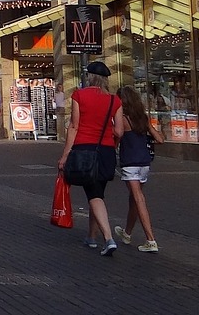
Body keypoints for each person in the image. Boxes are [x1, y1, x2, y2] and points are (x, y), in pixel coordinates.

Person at [57, 61, 124, 256]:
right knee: (97, 193)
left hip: (84, 150)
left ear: (89, 77)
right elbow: (119, 130)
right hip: (106, 151)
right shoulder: (115, 100)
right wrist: (112, 144)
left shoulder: (80, 95)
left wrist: (65, 154)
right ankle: (91, 237)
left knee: (94, 196)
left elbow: (74, 126)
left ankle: (108, 238)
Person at [112, 86, 165, 253]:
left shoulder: (123, 118)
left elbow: (117, 138)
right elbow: (160, 139)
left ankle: (151, 240)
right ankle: (127, 233)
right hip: (144, 162)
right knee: (134, 199)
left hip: (130, 162)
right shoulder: (142, 118)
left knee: (138, 199)